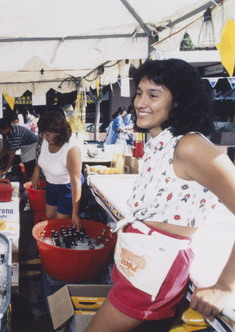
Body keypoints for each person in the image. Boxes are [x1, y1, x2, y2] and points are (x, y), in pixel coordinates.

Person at [87, 59, 235, 331]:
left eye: (153, 95)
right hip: (140, 260)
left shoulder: (190, 145)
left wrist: (225, 287)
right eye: (139, 93)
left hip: (156, 268)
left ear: (178, 101)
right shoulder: (162, 140)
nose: (140, 102)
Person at [30, 111, 83, 229]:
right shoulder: (47, 140)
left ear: (59, 132)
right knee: (50, 216)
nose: (44, 137)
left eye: (48, 134)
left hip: (67, 188)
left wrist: (75, 212)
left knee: (61, 223)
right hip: (51, 185)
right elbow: (42, 156)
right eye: (43, 133)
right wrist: (37, 169)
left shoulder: (72, 149)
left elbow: (76, 183)